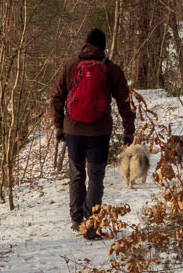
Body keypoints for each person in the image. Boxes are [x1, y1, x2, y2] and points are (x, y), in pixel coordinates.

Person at [49, 28, 135, 236]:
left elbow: (56, 97)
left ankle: (77, 219)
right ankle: (92, 223)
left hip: (73, 130)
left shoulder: (71, 66)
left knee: (76, 174)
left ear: (86, 44)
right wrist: (129, 130)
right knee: (96, 177)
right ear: (103, 47)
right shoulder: (111, 69)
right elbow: (125, 102)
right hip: (99, 131)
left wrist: (59, 125)